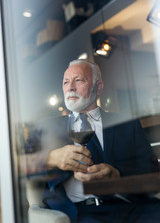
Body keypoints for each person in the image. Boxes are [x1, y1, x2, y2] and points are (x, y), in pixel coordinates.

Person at [25, 59, 160, 223]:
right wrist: (51, 158)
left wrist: (117, 174)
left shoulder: (126, 123)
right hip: (79, 212)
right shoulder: (47, 126)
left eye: (78, 80)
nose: (70, 87)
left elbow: (153, 171)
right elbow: (18, 164)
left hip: (130, 208)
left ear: (98, 88)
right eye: (66, 82)